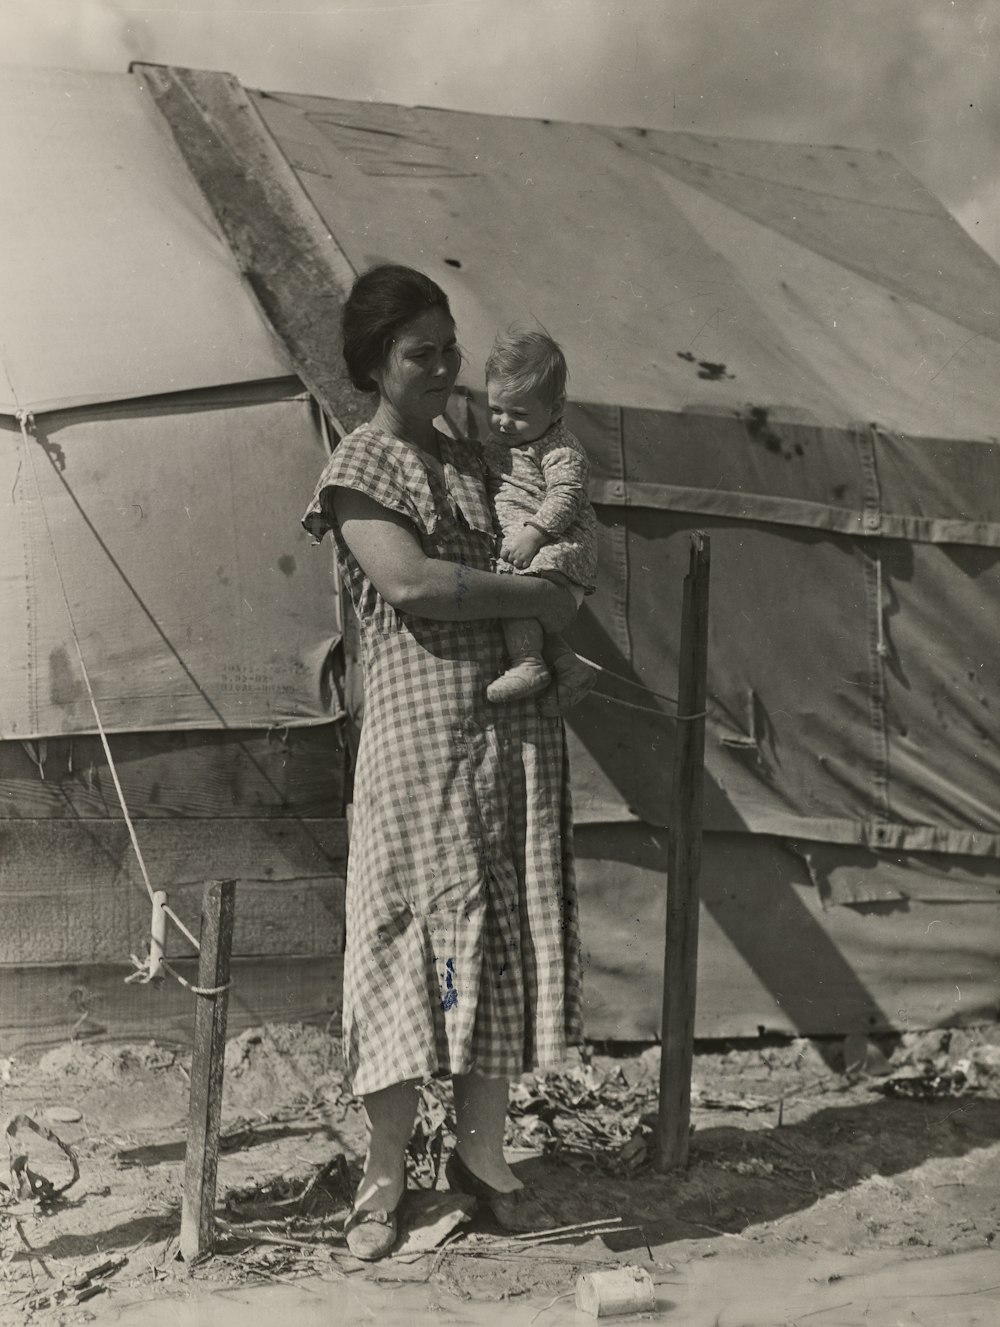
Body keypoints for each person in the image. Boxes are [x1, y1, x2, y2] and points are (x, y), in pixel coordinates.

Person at [302, 265, 584, 1261]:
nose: (441, 367)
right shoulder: (360, 466)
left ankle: (482, 1156)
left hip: (508, 743)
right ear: (375, 362)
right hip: (418, 748)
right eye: (419, 351)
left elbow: (552, 538)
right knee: (401, 944)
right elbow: (412, 584)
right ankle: (383, 1178)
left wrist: (546, 593)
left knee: (498, 943)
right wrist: (536, 599)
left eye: (447, 348)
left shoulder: (480, 463)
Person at [482, 329, 599, 707]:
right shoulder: (506, 441)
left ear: (556, 409)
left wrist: (534, 535)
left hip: (555, 546)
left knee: (513, 596)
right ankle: (567, 664)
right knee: (520, 602)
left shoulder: (560, 448)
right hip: (530, 549)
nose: (502, 422)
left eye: (518, 414)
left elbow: (567, 495)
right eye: (495, 409)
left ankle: (528, 662)